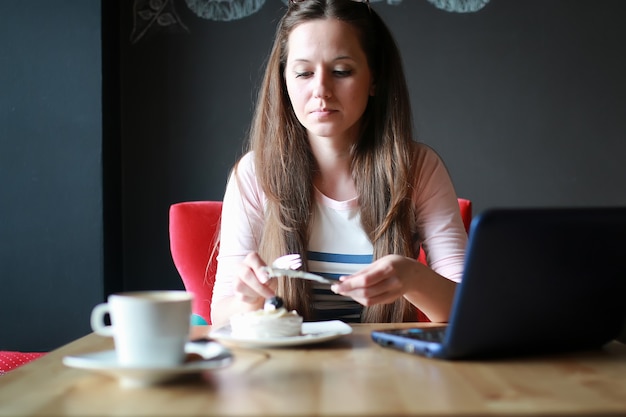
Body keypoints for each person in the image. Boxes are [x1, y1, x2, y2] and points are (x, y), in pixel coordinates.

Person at [210, 0, 467, 327]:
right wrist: (249, 299)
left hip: (388, 370)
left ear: (374, 79)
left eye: (341, 71)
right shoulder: (253, 174)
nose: (321, 90)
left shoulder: (419, 168)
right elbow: (219, 317)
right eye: (303, 72)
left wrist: (413, 278)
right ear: (283, 81)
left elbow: (466, 307)